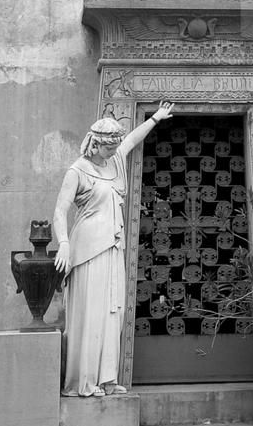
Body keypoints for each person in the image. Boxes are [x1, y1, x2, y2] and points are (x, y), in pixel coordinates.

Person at [54, 100, 176, 396]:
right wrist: (64, 245)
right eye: (108, 148)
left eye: (114, 148)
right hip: (87, 248)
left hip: (112, 246)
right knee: (91, 312)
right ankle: (84, 380)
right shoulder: (77, 171)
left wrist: (156, 118)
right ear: (95, 144)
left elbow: (133, 139)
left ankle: (106, 378)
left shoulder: (115, 160)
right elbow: (60, 211)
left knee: (113, 311)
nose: (113, 153)